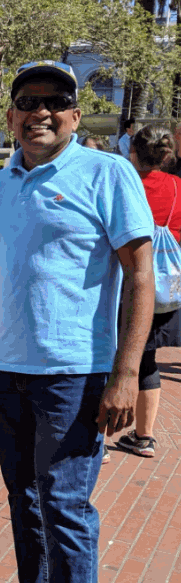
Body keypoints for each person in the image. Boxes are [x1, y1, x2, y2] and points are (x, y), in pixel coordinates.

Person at [0, 61, 154, 583]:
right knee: (24, 497)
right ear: (11, 114)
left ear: (76, 115)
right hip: (9, 370)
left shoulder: (107, 174)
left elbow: (140, 276)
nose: (38, 113)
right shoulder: (2, 184)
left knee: (66, 508)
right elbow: (0, 275)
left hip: (76, 375)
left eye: (54, 103)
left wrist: (126, 373)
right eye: (26, 103)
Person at [109, 124, 181, 458]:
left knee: (106, 357)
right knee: (147, 357)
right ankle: (144, 435)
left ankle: (96, 439)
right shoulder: (177, 187)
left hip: (120, 283)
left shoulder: (121, 182)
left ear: (131, 150)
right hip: (162, 285)